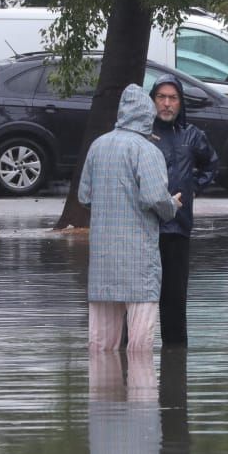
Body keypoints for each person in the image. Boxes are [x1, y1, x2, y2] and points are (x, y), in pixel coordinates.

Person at [78, 84, 181, 353]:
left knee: (100, 344)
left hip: (102, 260)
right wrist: (173, 205)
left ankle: (101, 390)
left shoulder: (97, 146)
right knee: (140, 345)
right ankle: (141, 391)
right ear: (147, 114)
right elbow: (154, 198)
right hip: (138, 259)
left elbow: (84, 197)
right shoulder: (146, 150)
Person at [150, 74, 219, 346]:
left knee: (175, 297)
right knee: (139, 297)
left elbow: (211, 164)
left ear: (180, 103)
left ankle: (175, 357)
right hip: (146, 227)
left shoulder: (192, 135)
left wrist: (192, 188)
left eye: (172, 98)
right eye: (161, 98)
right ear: (153, 101)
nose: (166, 104)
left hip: (178, 227)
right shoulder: (144, 134)